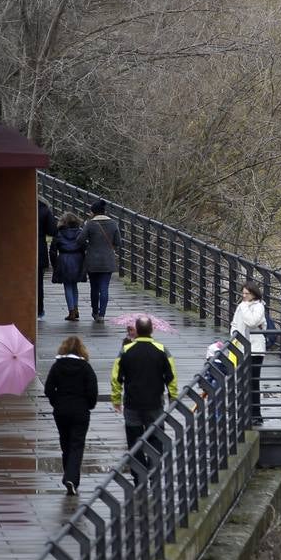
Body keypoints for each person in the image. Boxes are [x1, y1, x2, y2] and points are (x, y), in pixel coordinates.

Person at [111, 316, 176, 481]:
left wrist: (116, 399)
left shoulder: (126, 351)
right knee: (156, 438)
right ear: (152, 330)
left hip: (132, 404)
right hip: (155, 403)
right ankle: (154, 471)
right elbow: (171, 376)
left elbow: (116, 377)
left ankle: (138, 475)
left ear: (137, 331)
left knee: (134, 441)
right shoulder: (162, 350)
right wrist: (173, 396)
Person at [45, 335, 98, 496]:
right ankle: (71, 478)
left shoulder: (57, 366)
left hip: (61, 411)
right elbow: (92, 391)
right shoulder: (85, 368)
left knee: (65, 444)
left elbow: (48, 389)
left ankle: (69, 475)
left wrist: (56, 403)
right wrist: (89, 405)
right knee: (77, 445)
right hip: (80, 411)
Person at [230, 280, 268, 424]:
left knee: (253, 382)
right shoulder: (242, 306)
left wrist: (245, 307)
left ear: (254, 294)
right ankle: (244, 413)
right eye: (243, 293)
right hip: (240, 347)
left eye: (247, 293)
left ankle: (256, 415)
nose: (244, 296)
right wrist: (233, 333)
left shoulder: (258, 306)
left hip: (255, 349)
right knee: (242, 381)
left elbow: (252, 322)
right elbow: (235, 323)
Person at [82, 199, 121, 323]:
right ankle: (102, 314)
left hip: (92, 260)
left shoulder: (89, 224)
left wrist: (89, 244)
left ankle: (95, 311)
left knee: (94, 287)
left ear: (93, 212)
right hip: (108, 260)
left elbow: (80, 240)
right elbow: (118, 242)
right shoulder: (114, 223)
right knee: (104, 287)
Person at [50, 212, 88, 321]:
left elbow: (53, 250)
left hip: (64, 259)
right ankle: (75, 309)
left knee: (67, 286)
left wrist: (54, 264)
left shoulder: (59, 233)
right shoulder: (80, 232)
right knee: (74, 285)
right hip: (77, 259)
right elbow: (84, 246)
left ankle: (71, 311)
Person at [38, 200, 57, 318]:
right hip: (38, 248)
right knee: (38, 282)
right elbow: (52, 230)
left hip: (18, 249)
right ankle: (39, 310)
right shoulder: (44, 209)